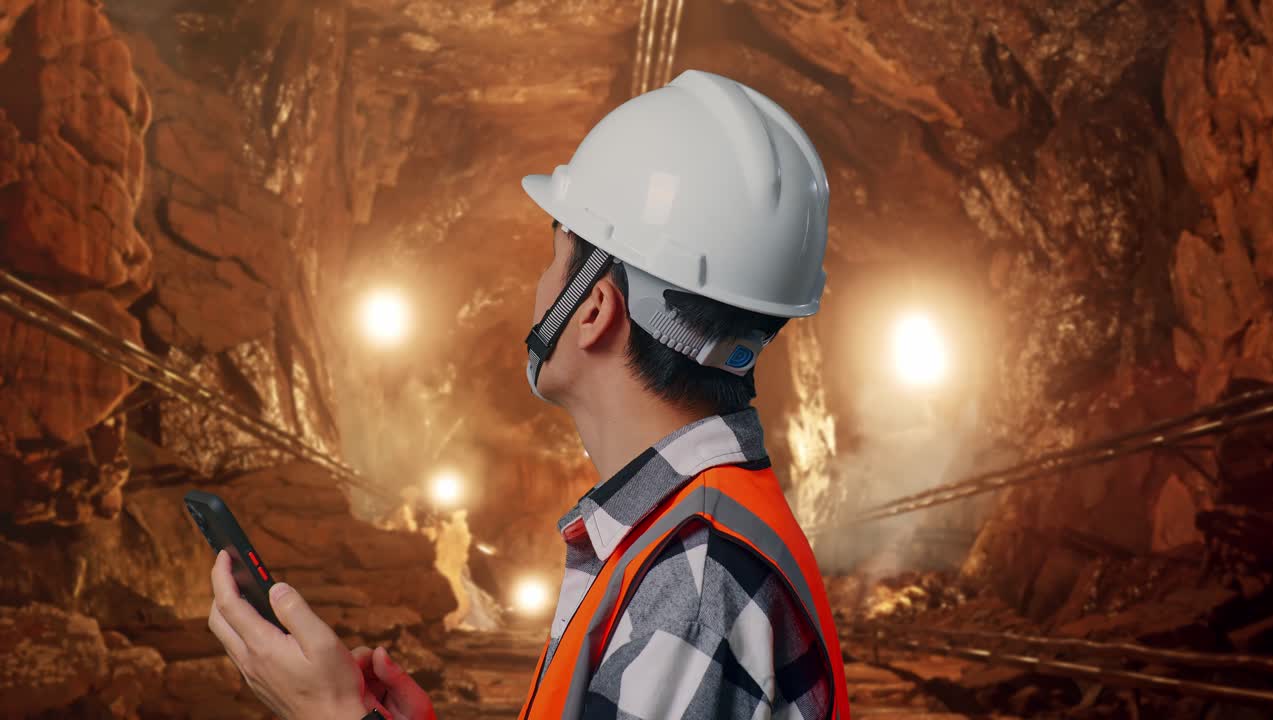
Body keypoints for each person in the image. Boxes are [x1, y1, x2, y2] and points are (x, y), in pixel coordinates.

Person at [205, 68, 848, 720]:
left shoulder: (691, 580)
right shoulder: (685, 531)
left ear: (594, 309)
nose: (539, 287)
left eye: (553, 257)